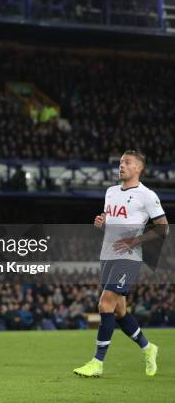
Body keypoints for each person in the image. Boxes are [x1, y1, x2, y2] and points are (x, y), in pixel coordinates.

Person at [73, 150, 168, 378]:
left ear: (139, 169)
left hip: (129, 257)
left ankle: (97, 363)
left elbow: (163, 227)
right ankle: (148, 348)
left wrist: (134, 241)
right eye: (121, 162)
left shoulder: (147, 195)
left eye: (127, 162)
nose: (121, 165)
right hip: (108, 254)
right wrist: (102, 222)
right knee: (119, 311)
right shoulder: (111, 192)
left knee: (104, 305)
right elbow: (114, 222)